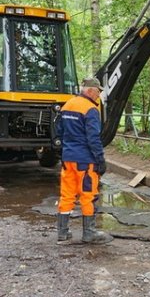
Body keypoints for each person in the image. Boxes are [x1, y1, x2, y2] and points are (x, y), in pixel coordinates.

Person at [55, 77, 113, 244]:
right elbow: (93, 138)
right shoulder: (90, 109)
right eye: (97, 91)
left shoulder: (68, 105)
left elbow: (59, 131)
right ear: (89, 90)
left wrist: (65, 151)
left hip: (68, 160)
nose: (98, 95)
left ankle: (63, 233)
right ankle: (89, 234)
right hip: (85, 161)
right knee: (88, 195)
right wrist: (100, 159)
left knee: (67, 195)